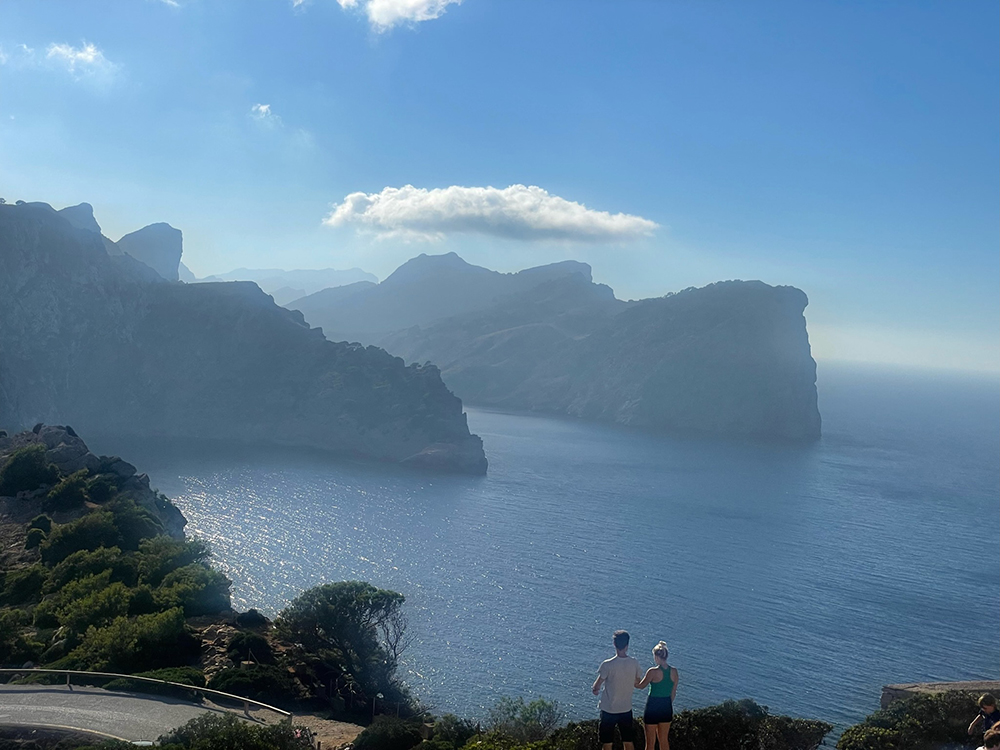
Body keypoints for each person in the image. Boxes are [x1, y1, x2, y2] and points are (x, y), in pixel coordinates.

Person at [593, 630, 643, 750]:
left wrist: (595, 689)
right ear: (627, 645)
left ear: (614, 644)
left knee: (607, 743)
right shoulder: (634, 663)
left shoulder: (607, 664)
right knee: (628, 741)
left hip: (608, 710)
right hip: (626, 709)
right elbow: (637, 682)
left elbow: (596, 686)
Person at [636, 641, 678, 750]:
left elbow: (640, 686)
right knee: (664, 740)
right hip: (666, 706)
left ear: (656, 656)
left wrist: (634, 678)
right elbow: (673, 693)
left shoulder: (652, 671)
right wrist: (666, 703)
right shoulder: (674, 672)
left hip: (652, 707)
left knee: (650, 743)